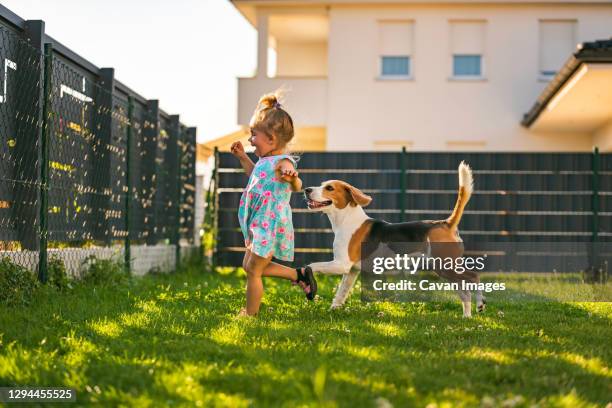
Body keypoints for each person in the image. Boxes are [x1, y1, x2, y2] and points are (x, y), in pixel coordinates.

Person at [230, 91, 317, 316]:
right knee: (249, 266)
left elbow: (297, 185)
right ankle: (299, 275)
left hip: (270, 223)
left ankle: (250, 313)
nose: (250, 140)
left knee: (253, 270)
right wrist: (242, 158)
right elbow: (255, 177)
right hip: (259, 222)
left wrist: (292, 177)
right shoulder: (263, 161)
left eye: (253, 135)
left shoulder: (282, 162)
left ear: (271, 139)